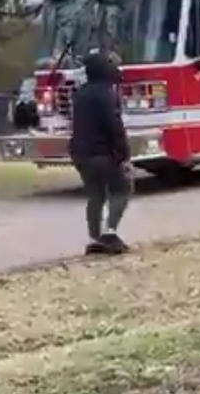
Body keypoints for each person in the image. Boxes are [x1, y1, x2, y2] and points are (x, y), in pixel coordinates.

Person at [69, 52, 132, 255]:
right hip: (103, 153)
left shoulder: (81, 94)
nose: (119, 70)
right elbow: (114, 126)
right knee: (122, 188)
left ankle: (95, 237)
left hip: (80, 153)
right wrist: (124, 155)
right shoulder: (107, 94)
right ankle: (109, 234)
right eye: (115, 66)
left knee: (95, 195)